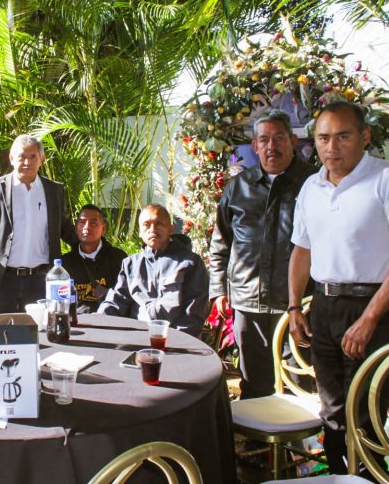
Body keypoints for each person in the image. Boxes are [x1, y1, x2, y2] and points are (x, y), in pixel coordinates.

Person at [287, 101, 389, 475]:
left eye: (343, 136)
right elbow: (302, 250)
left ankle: (367, 478)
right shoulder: (311, 186)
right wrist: (295, 306)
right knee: (332, 416)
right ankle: (338, 477)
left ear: (364, 136)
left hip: (375, 311)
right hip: (324, 310)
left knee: (365, 418)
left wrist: (369, 319)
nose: (331, 147)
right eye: (323, 138)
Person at [209, 109, 316, 399]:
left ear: (293, 141)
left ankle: (296, 429)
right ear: (255, 146)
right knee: (253, 384)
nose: (272, 146)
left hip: (296, 304)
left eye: (279, 138)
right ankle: (256, 429)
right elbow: (221, 242)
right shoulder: (238, 188)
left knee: (296, 384)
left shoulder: (313, 183)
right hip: (248, 302)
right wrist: (219, 290)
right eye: (264, 140)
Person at [0, 134, 75, 312]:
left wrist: (90, 247)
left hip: (40, 280)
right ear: (12, 159)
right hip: (1, 279)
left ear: (42, 159)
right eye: (22, 157)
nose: (27, 162)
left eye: (33, 156)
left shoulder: (54, 190)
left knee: (39, 328)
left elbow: (64, 226)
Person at [98, 204, 209, 335]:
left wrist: (174, 338)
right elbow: (116, 302)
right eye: (146, 224)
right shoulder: (131, 265)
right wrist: (96, 322)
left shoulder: (190, 262)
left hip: (177, 337)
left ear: (171, 229)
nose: (152, 229)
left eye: (159, 224)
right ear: (140, 232)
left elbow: (194, 313)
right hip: (137, 336)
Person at [61, 204, 127, 311]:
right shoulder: (65, 263)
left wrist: (107, 293)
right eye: (82, 222)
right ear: (76, 227)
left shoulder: (118, 259)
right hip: (77, 318)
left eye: (93, 223)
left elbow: (126, 297)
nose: (87, 227)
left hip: (109, 317)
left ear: (103, 228)